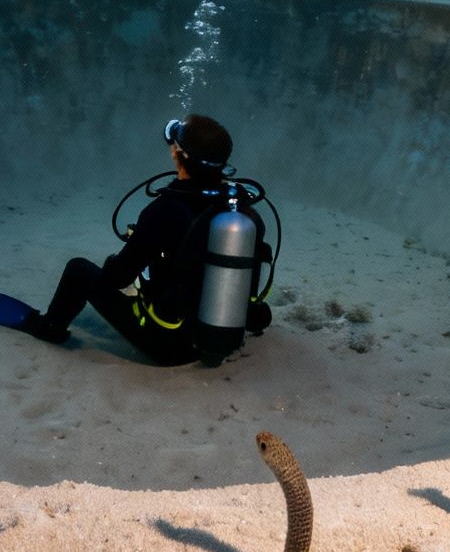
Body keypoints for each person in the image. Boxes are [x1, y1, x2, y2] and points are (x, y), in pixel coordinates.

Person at [22, 114, 267, 365]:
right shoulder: (240, 211)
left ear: (177, 154)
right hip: (221, 337)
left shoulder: (163, 211)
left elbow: (117, 278)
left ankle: (49, 328)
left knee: (79, 270)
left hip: (169, 346)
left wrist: (118, 258)